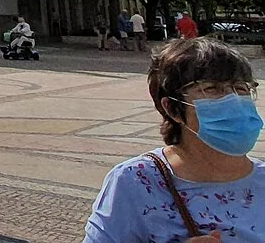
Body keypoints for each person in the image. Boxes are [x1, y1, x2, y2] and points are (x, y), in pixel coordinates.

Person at [83, 37, 264, 241]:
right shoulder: (135, 182)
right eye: (212, 88)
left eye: (241, 88)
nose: (234, 101)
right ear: (172, 108)